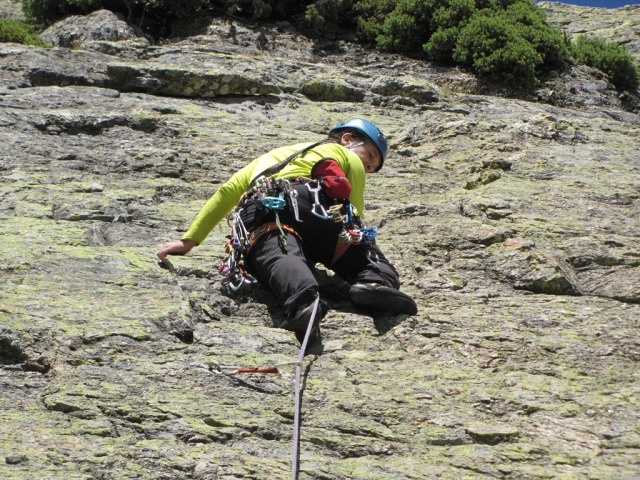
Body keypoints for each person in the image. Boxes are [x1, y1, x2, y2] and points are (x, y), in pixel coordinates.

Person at [157, 118, 417, 345]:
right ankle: (373, 282)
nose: (368, 167)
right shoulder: (345, 155)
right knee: (364, 250)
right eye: (370, 156)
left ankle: (304, 304)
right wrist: (350, 243)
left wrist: (189, 240)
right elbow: (352, 213)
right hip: (316, 203)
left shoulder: (269, 158)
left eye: (372, 167)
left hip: (259, 210)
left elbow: (227, 192)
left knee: (279, 250)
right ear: (347, 139)